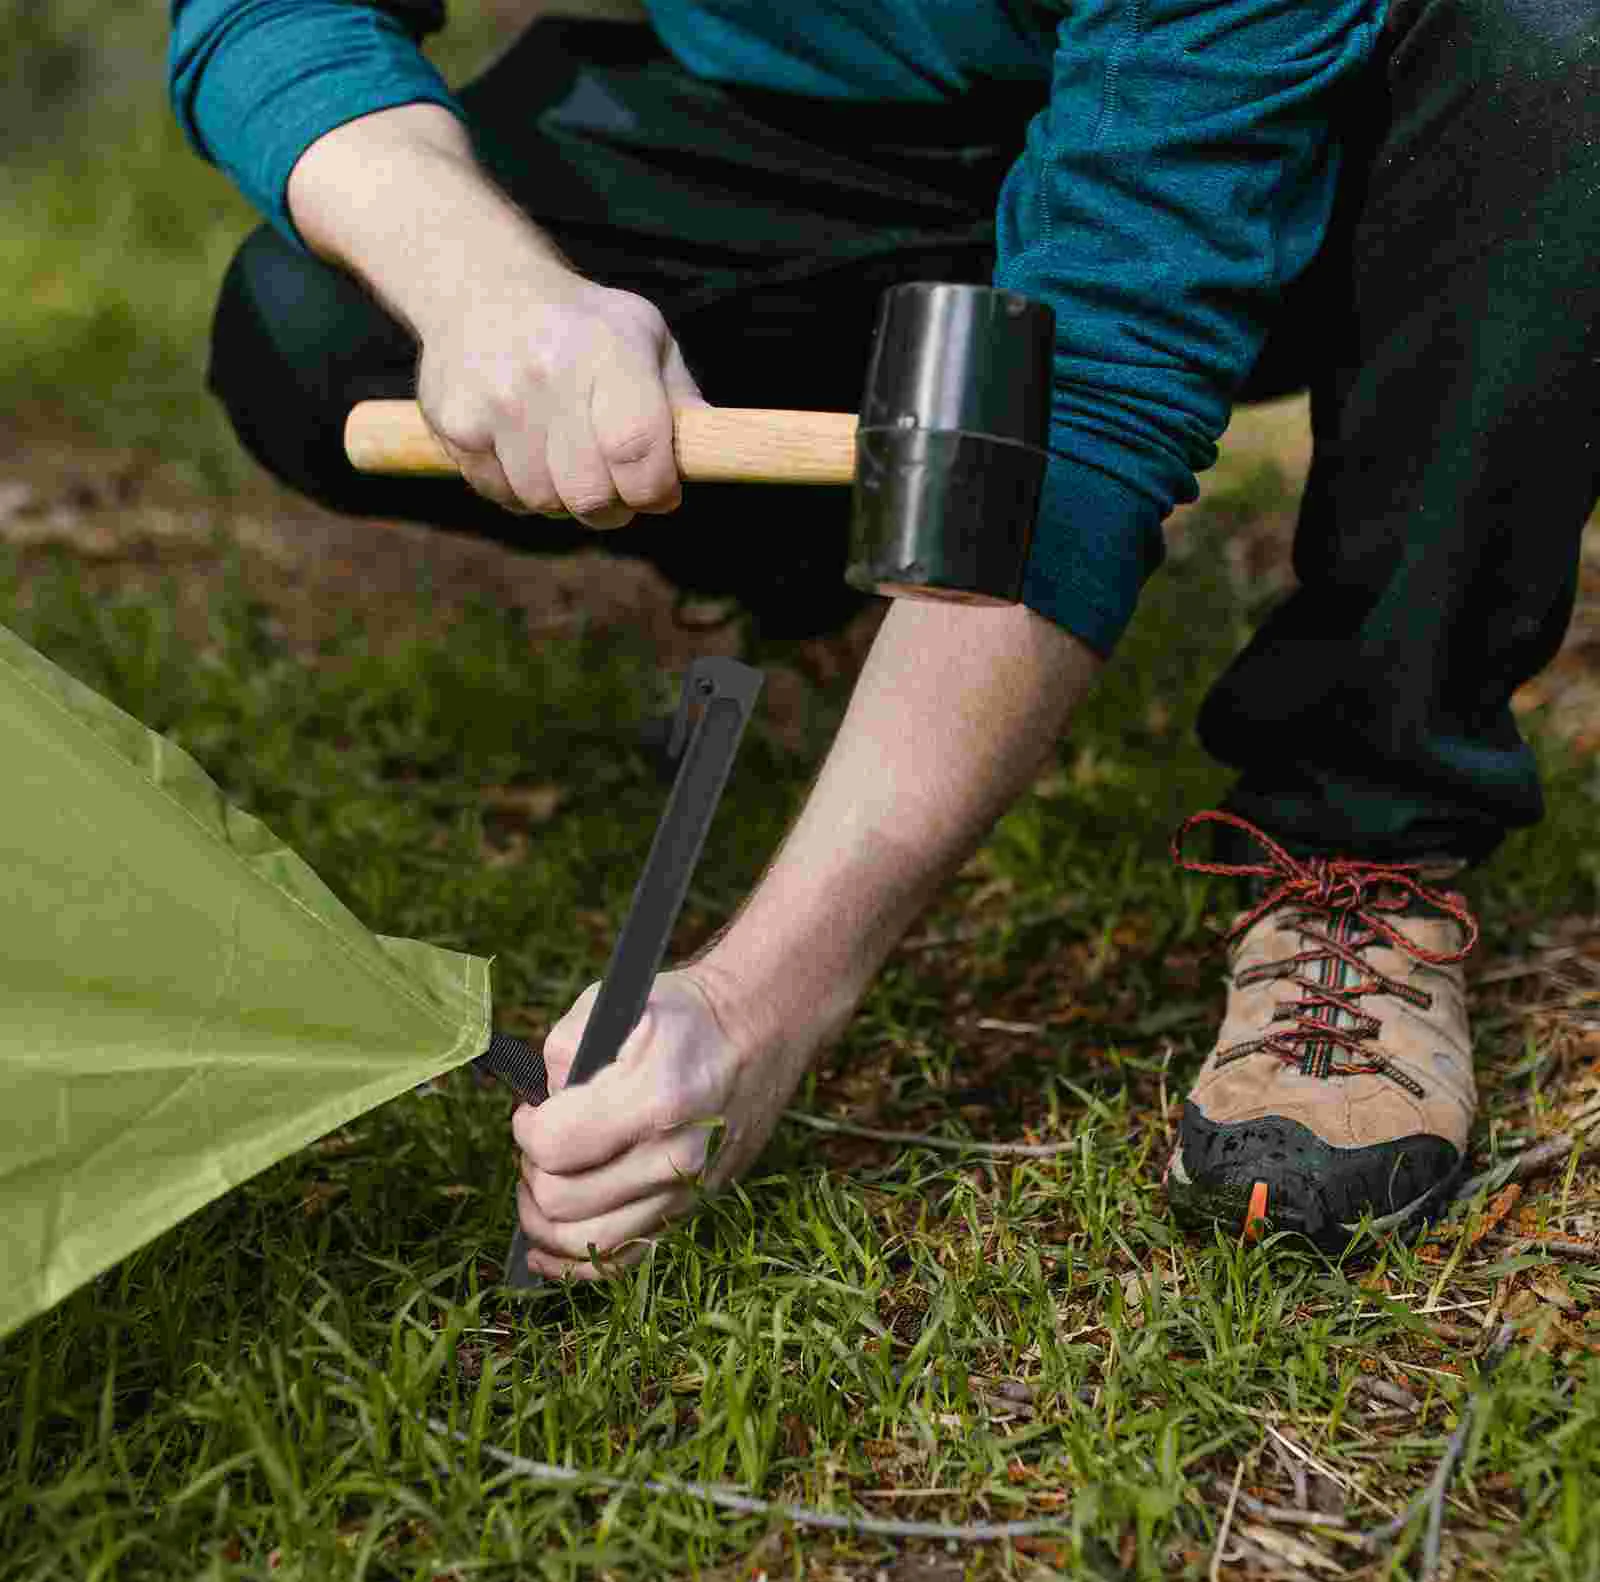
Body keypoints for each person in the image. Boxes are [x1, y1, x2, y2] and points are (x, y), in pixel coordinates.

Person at [170, 0, 1598, 1274]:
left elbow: (1094, 398)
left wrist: (755, 1004)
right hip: (802, 117)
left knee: (1546, 41)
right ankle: (837, 578)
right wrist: (485, 287)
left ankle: (1361, 830)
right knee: (318, 317)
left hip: (1301, 127)